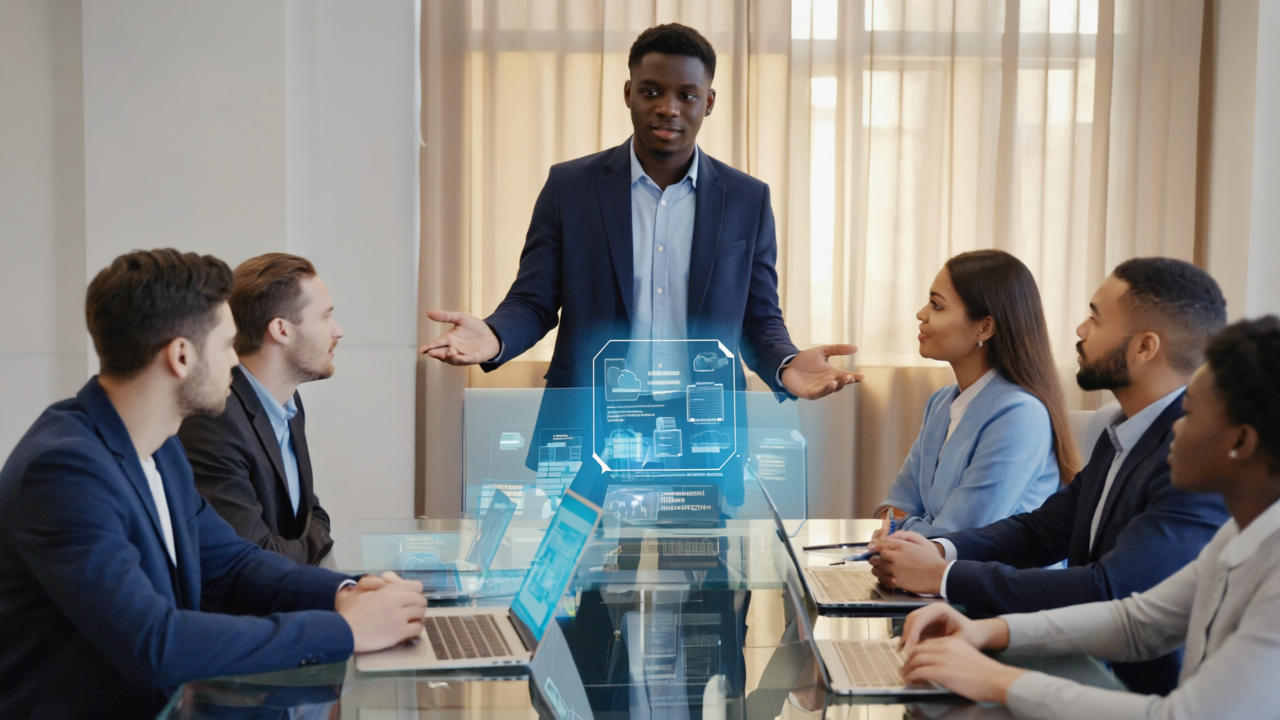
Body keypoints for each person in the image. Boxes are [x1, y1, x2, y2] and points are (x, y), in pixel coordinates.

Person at [0, 249, 425, 718]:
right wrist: (344, 631)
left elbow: (233, 565)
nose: (236, 363)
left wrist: (345, 592)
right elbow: (154, 642)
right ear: (181, 356)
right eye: (226, 345)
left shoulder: (159, 448)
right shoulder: (63, 471)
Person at [419, 23, 858, 402]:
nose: (668, 107)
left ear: (708, 102)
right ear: (629, 93)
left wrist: (785, 364)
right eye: (652, 91)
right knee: (580, 509)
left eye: (687, 95)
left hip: (703, 426)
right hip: (591, 418)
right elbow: (534, 302)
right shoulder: (569, 187)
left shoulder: (747, 200)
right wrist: (495, 337)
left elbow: (757, 319)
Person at [868, 257, 1231, 695]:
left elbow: (1108, 590)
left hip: (1137, 693)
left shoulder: (1193, 457)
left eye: (1095, 318)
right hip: (1079, 667)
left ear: (1144, 348)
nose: (1080, 329)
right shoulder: (1121, 432)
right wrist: (940, 550)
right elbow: (1038, 531)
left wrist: (943, 575)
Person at [896, 316, 1280, 720]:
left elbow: (1181, 715)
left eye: (1189, 413)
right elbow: (1137, 623)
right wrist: (986, 631)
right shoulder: (1238, 535)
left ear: (1241, 442)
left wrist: (997, 680)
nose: (1176, 428)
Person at [873, 250, 1077, 538]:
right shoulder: (940, 403)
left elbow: (960, 536)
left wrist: (907, 528)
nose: (921, 314)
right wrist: (913, 527)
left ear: (985, 327)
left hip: (1001, 580)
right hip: (934, 575)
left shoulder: (1019, 414)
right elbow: (895, 507)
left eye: (936, 305)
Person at [179, 253, 342, 565]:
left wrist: (309, 538)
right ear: (281, 330)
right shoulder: (215, 419)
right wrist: (314, 541)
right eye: (325, 317)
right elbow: (255, 557)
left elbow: (311, 512)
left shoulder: (289, 404)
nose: (337, 330)